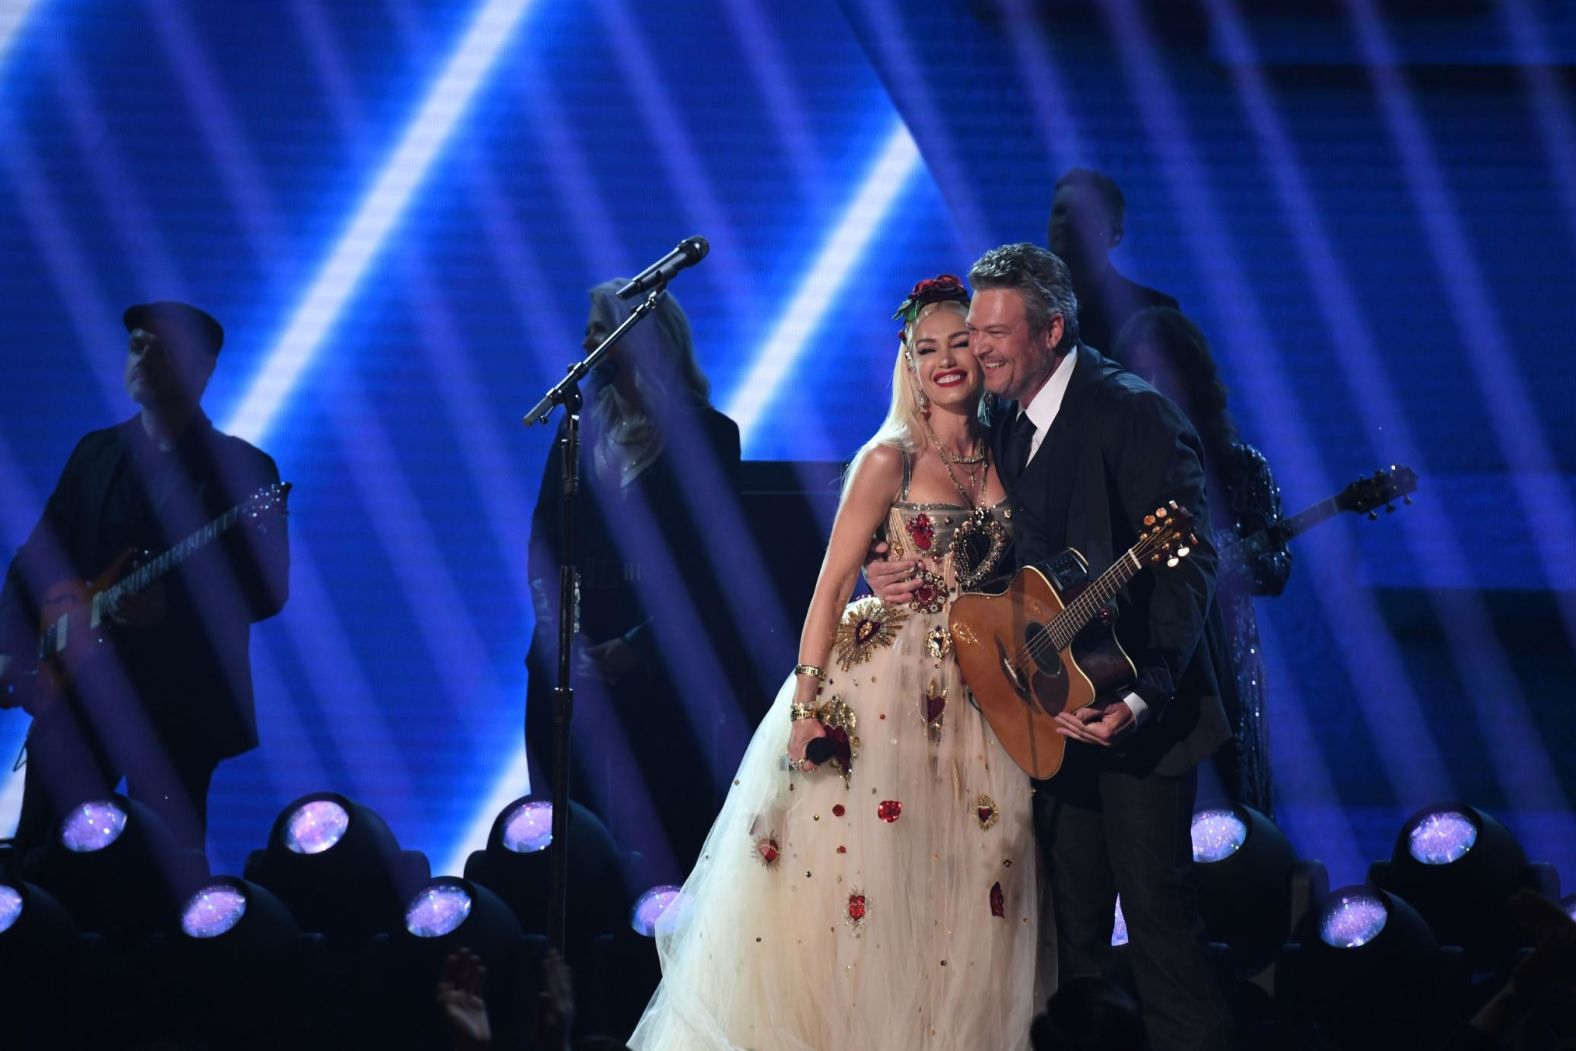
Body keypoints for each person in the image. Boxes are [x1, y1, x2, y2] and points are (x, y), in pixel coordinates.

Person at [628, 276, 1042, 1051]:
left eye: (960, 344)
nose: (946, 361)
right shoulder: (888, 458)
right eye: (928, 349)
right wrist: (806, 707)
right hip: (885, 689)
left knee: (980, 877)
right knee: (871, 890)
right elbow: (826, 595)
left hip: (982, 690)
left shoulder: (1008, 454)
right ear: (907, 363)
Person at [870, 246, 1231, 1051]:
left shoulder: (1132, 412)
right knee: (1072, 950)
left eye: (995, 334)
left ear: (1053, 329)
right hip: (1046, 721)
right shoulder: (1004, 419)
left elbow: (1189, 565)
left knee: (1161, 937)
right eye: (973, 333)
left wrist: (1143, 695)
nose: (979, 349)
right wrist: (888, 554)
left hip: (1141, 724)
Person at [0, 302, 289, 852]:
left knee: (167, 863)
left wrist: (172, 610)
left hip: (178, 707)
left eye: (164, 348)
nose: (145, 357)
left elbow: (270, 589)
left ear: (202, 370)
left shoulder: (245, 470)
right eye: (138, 343)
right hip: (78, 695)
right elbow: (36, 558)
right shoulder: (94, 453)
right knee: (38, 854)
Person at [525, 281, 746, 886]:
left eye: (602, 328)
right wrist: (562, 642)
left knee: (665, 846)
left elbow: (712, 573)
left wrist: (636, 647)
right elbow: (545, 543)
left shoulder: (711, 437)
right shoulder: (576, 434)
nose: (588, 341)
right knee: (567, 845)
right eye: (589, 328)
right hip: (569, 670)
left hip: (662, 675)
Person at [1114, 307, 1291, 815]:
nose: (1154, 385)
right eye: (1140, 372)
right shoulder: (1114, 465)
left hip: (1222, 646)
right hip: (1140, 646)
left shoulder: (1240, 466)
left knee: (1227, 799)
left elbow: (1276, 570)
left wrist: (1217, 556)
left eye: (1165, 371)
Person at [1048, 168, 1178, 356]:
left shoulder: (1153, 312)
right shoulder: (1024, 308)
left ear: (1115, 234)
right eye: (1059, 211)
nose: (1066, 221)